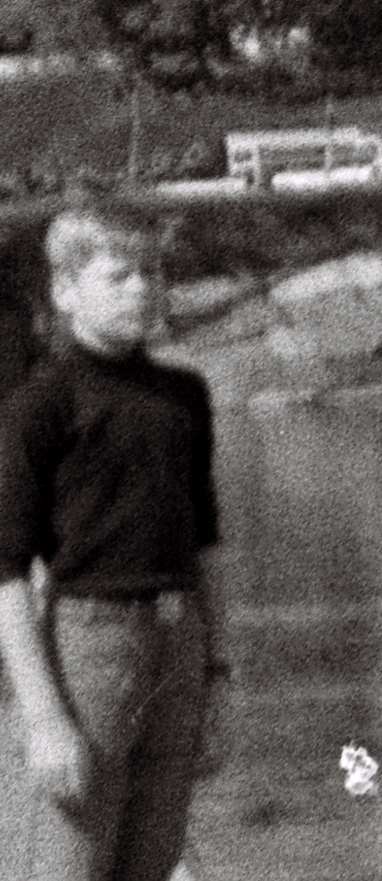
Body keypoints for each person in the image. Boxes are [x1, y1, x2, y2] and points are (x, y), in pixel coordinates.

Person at [0, 213, 227, 881]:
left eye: (153, 272)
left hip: (180, 639)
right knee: (71, 865)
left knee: (152, 864)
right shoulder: (39, 405)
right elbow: (7, 570)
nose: (142, 288)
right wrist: (42, 715)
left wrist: (220, 672)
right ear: (66, 290)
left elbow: (206, 544)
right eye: (119, 275)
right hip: (88, 646)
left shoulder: (184, 397)